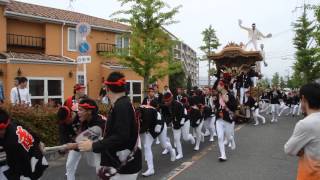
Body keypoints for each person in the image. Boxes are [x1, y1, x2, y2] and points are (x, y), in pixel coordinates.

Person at [78, 72, 142, 180]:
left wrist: (93, 146)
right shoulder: (122, 103)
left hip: (125, 165)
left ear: (107, 88)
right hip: (123, 163)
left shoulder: (121, 106)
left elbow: (121, 136)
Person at [284, 83, 320, 180]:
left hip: (311, 175)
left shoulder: (305, 124)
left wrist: (302, 148)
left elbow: (289, 149)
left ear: (303, 99)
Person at [0, 108, 48, 180]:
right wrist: (38, 143)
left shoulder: (11, 142)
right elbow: (33, 135)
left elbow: (15, 168)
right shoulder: (14, 124)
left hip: (30, 169)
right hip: (36, 161)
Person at [64, 98, 106, 180]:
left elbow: (85, 141)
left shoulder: (100, 123)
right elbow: (81, 137)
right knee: (70, 164)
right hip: (90, 144)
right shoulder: (85, 120)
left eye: (80, 110)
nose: (78, 113)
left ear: (89, 111)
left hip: (103, 148)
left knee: (101, 171)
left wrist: (72, 145)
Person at [138, 100, 176, 177]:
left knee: (164, 144)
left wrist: (139, 131)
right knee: (146, 146)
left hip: (160, 126)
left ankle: (172, 151)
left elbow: (148, 126)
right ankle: (151, 169)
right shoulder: (141, 109)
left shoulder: (149, 113)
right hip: (151, 127)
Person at [162, 92, 195, 160]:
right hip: (176, 122)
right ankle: (180, 153)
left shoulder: (178, 104)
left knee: (185, 138)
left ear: (171, 99)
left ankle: (190, 137)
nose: (166, 102)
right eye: (165, 101)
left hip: (184, 121)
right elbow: (169, 116)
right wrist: (168, 123)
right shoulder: (166, 106)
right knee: (176, 139)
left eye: (167, 101)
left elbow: (184, 114)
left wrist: (179, 124)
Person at [215, 81, 237, 161]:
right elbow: (217, 106)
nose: (217, 87)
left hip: (228, 119)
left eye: (218, 85)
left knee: (228, 137)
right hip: (219, 119)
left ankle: (231, 139)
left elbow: (234, 107)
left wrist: (227, 101)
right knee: (220, 137)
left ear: (222, 86)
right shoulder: (218, 95)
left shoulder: (230, 95)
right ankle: (223, 155)